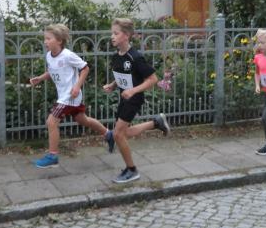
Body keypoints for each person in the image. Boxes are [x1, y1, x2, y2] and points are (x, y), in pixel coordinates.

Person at [29, 24, 113, 168]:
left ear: (59, 41)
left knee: (51, 122)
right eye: (45, 39)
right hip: (66, 96)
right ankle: (108, 134)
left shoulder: (68, 55)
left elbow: (85, 68)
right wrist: (40, 78)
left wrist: (77, 86)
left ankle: (52, 156)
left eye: (48, 38)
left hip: (69, 96)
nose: (45, 41)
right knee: (82, 119)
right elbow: (52, 71)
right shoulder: (49, 56)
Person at [103, 18, 170, 183]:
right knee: (123, 133)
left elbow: (153, 79)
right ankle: (156, 123)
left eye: (116, 33)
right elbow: (123, 76)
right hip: (124, 97)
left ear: (126, 36)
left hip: (134, 98)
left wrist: (133, 90)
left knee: (118, 134)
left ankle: (132, 170)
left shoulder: (136, 57)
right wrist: (112, 85)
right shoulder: (116, 56)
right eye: (112, 33)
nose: (112, 36)